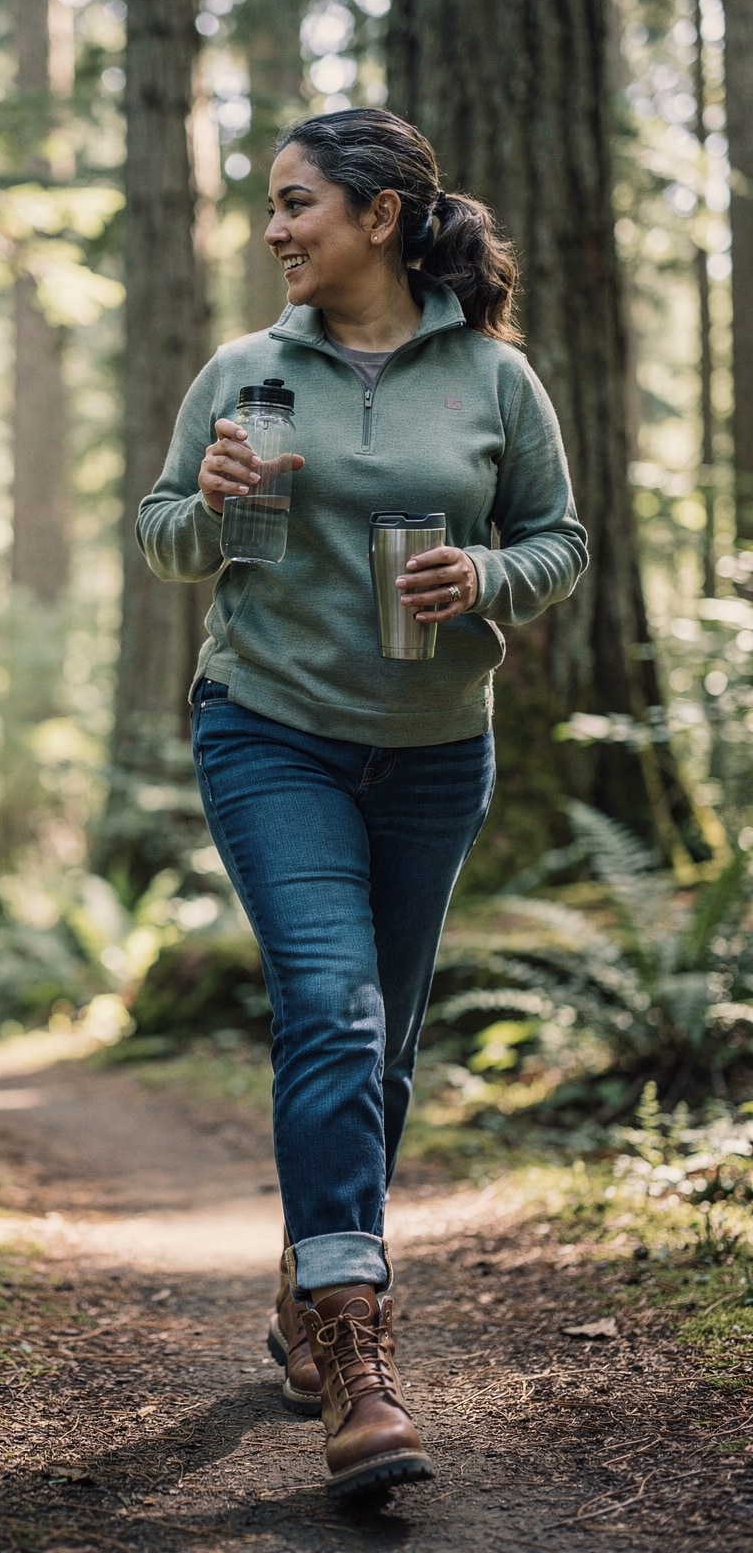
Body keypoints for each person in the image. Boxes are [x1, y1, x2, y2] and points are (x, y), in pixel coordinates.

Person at [135, 108, 588, 1501]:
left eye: (297, 206)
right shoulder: (246, 371)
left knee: (381, 1049)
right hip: (269, 732)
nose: (276, 230)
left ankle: (305, 1272)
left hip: (436, 744)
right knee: (329, 1007)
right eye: (271, 208)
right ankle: (357, 1356)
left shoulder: (494, 380)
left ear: (380, 216)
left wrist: (488, 581)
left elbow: (558, 541)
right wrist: (208, 504)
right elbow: (162, 535)